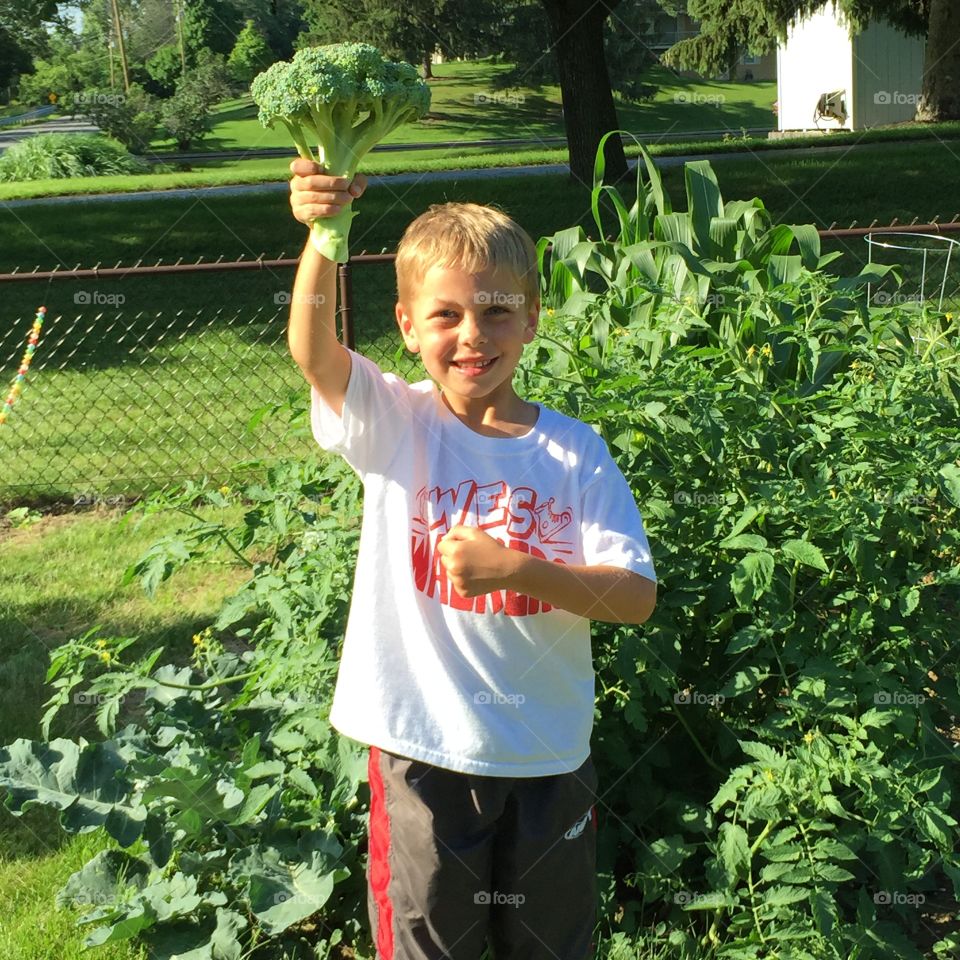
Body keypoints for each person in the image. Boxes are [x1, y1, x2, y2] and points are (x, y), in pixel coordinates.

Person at [285, 158, 658, 960]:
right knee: (429, 946)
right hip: (423, 752)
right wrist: (324, 236)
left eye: (496, 312)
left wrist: (520, 570)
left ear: (530, 319)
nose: (471, 335)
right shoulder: (396, 424)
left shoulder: (573, 453)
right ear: (409, 327)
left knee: (551, 947)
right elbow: (314, 353)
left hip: (548, 758)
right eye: (445, 314)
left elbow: (633, 597)